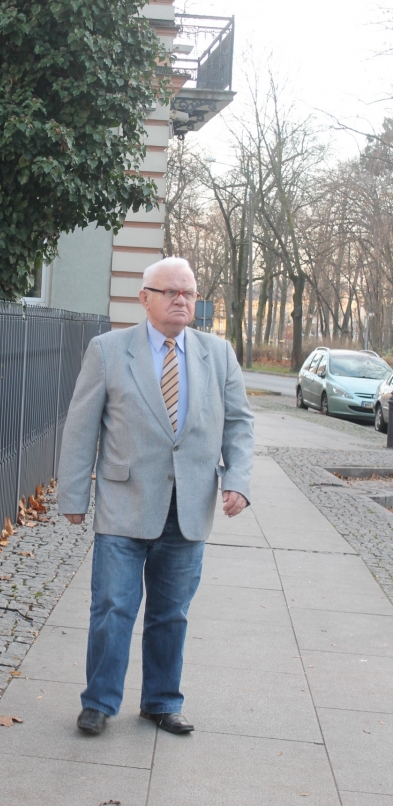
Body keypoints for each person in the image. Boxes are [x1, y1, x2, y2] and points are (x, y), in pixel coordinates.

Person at [57, 256, 254, 736]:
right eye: (171, 292)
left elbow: (239, 423)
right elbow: (81, 428)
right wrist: (74, 496)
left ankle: (162, 702)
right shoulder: (108, 350)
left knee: (171, 614)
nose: (182, 300)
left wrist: (238, 480)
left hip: (188, 508)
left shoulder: (218, 354)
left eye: (189, 292)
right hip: (124, 505)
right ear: (144, 298)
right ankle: (99, 702)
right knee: (113, 608)